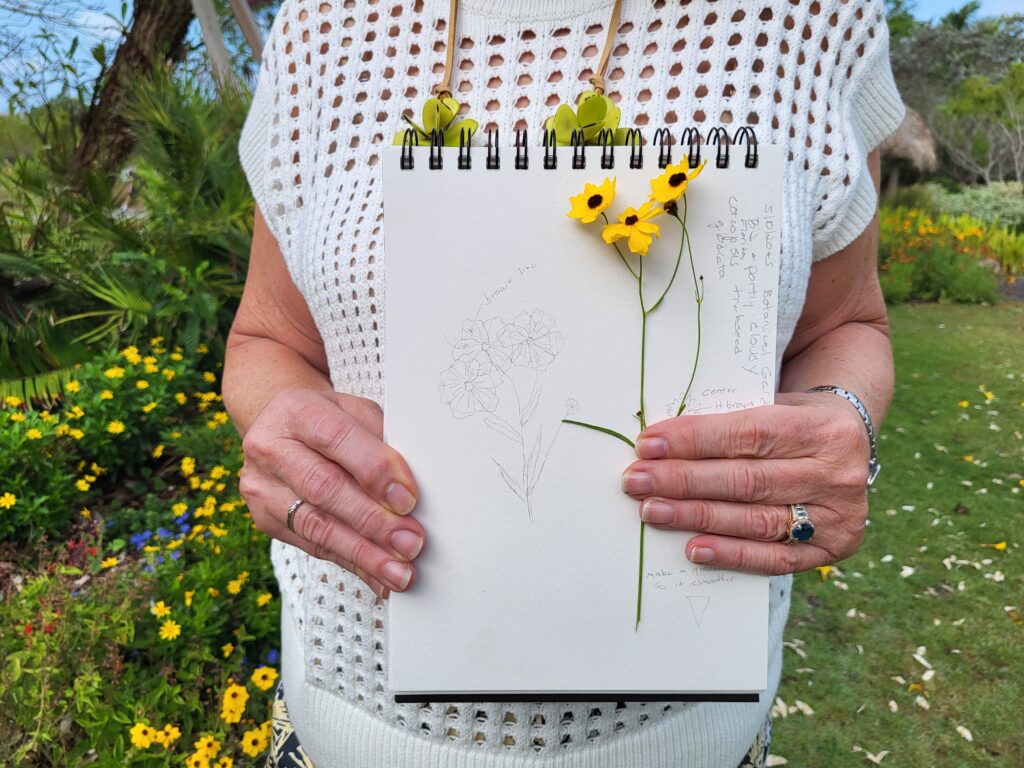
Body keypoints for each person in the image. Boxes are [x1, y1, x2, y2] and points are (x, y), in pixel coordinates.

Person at [222, 1, 904, 766]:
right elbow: (267, 338)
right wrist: (282, 431)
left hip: (691, 743)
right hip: (344, 733)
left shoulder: (808, 17)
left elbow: (846, 324)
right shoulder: (325, 23)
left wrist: (845, 418)